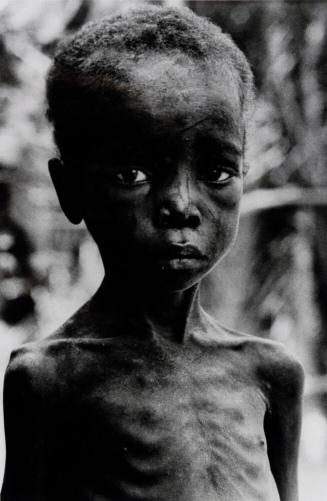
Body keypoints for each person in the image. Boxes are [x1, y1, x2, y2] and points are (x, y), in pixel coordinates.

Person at [1, 5, 304, 501]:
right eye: (132, 175)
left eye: (217, 172)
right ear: (70, 190)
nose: (182, 206)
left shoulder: (272, 373)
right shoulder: (51, 378)